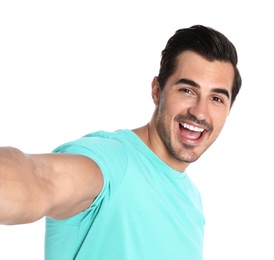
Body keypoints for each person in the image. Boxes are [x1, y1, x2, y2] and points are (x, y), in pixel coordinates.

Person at [0, 24, 242, 259]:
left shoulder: (192, 201)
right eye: (187, 90)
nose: (200, 112)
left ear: (229, 109)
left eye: (216, 98)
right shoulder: (113, 162)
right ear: (157, 91)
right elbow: (38, 178)